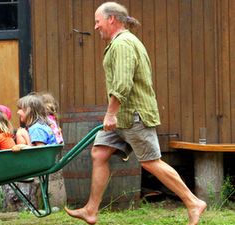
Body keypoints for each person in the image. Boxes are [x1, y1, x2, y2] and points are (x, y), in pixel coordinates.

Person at [64, 2, 206, 225]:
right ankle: (91, 211)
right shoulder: (120, 43)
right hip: (124, 116)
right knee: (99, 154)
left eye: (98, 21)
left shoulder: (123, 44)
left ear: (111, 19)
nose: (96, 27)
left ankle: (193, 202)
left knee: (151, 162)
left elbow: (122, 83)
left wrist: (110, 114)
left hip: (134, 115)